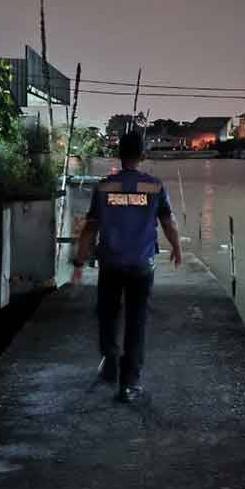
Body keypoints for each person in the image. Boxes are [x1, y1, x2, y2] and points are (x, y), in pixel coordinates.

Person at [74, 131, 183, 403]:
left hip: (110, 263)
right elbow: (168, 223)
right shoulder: (154, 187)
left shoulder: (104, 187)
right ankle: (129, 383)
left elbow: (90, 228)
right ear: (142, 156)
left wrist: (79, 260)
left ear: (119, 155)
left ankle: (110, 362)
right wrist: (177, 248)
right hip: (141, 265)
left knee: (107, 315)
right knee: (136, 322)